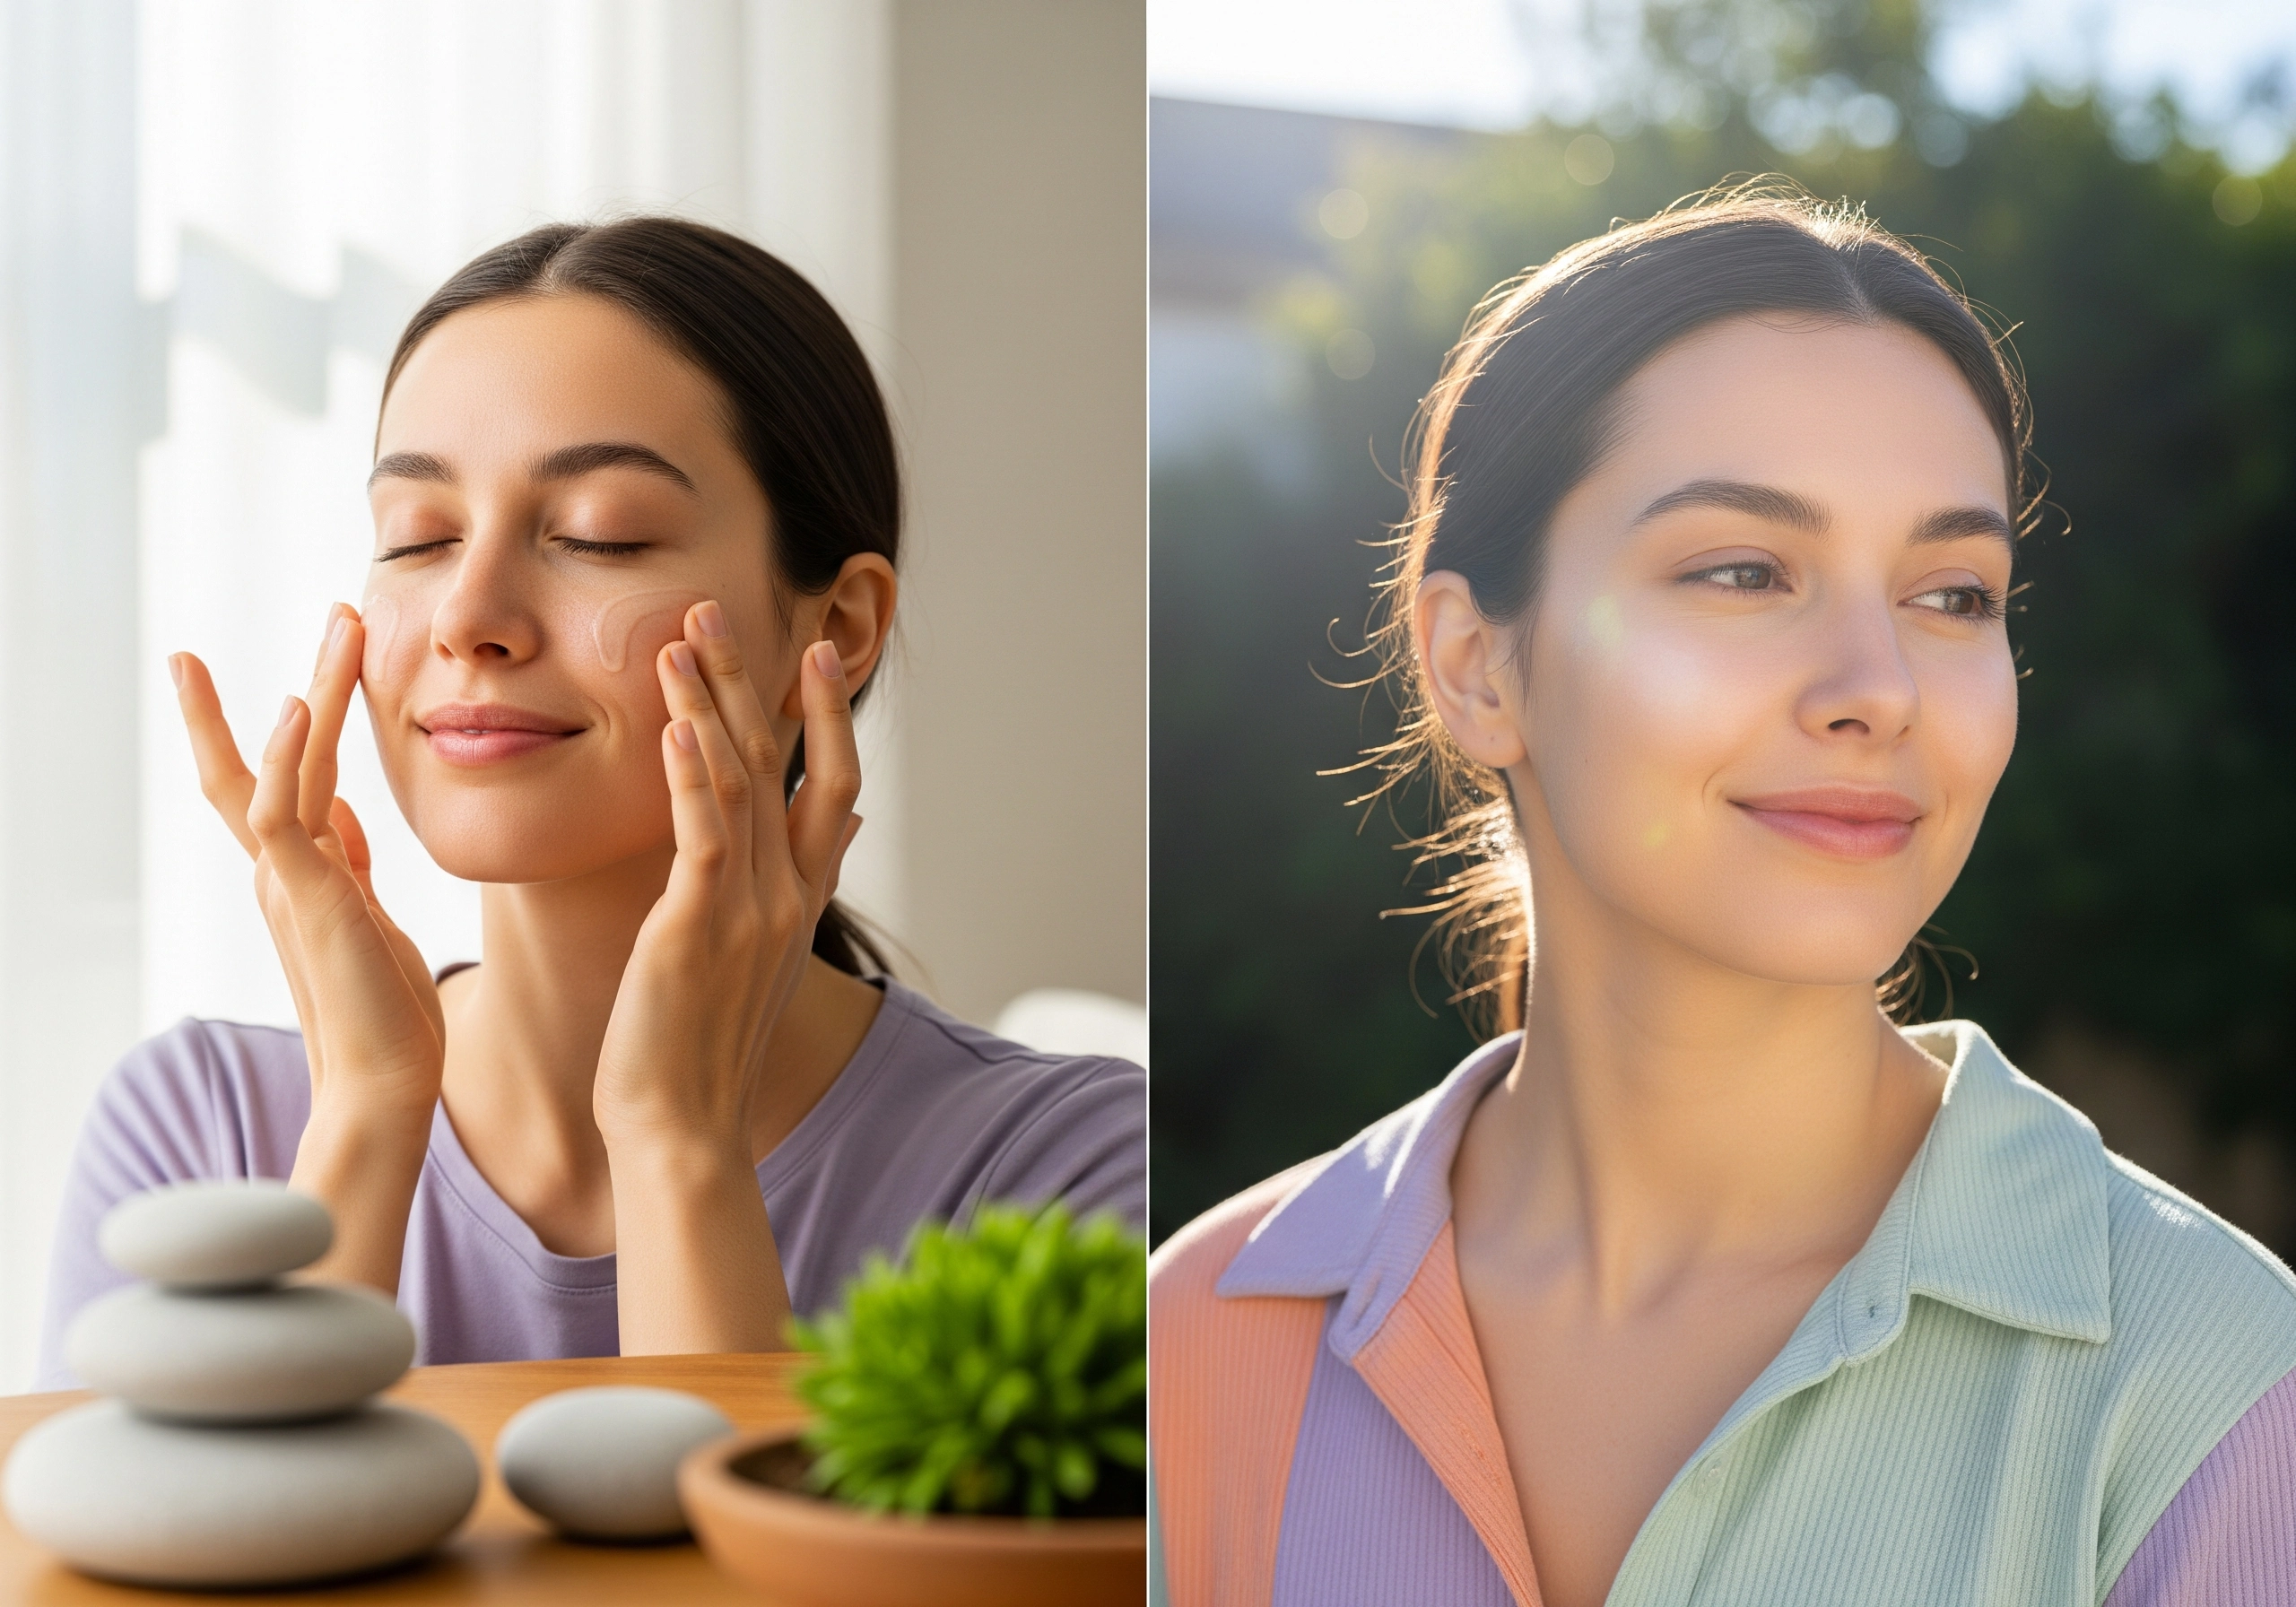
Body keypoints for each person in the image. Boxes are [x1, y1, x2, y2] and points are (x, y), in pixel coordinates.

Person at [1149, 190, 2296, 1607]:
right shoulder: (1206, 1334)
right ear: (1475, 665)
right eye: (1745, 571)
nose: (1879, 689)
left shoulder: (2211, 1386)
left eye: (1953, 594)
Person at [39, 217, 1143, 1381]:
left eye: (596, 536)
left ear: (838, 627)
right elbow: (187, 1554)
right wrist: (364, 1118)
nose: (469, 616)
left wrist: (678, 1142)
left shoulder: (1059, 1176)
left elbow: (739, 1576)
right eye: (418, 538)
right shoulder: (199, 1133)